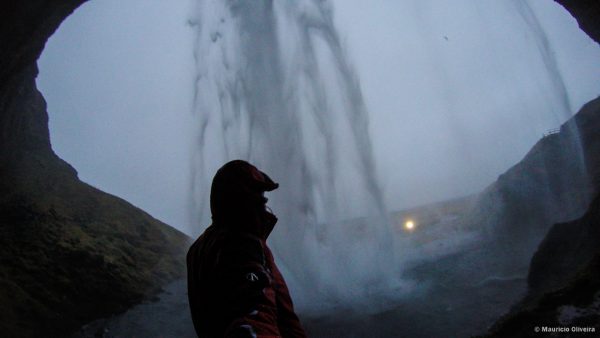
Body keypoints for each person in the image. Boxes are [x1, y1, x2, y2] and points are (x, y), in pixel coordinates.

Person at [187, 160, 307, 338]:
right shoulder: (241, 243)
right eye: (260, 200)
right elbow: (254, 314)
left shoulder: (199, 248)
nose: (265, 209)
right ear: (242, 201)